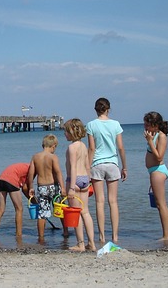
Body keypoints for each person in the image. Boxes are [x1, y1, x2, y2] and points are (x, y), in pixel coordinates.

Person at [86, 97, 127, 244]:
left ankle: (101, 236)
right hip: (112, 163)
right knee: (113, 202)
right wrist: (124, 167)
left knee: (99, 201)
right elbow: (120, 147)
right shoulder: (115, 124)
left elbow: (91, 148)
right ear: (108, 109)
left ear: (96, 110)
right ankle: (115, 236)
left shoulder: (91, 125)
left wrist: (87, 168)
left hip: (97, 164)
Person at [64, 118, 96, 252]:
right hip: (84, 180)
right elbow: (87, 165)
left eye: (66, 131)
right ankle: (92, 243)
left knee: (76, 214)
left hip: (74, 180)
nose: (65, 134)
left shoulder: (72, 147)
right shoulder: (83, 146)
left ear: (71, 132)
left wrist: (71, 187)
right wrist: (89, 181)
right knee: (86, 212)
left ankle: (80, 244)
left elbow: (73, 167)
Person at [27, 134, 66, 242]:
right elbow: (58, 173)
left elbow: (31, 174)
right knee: (60, 208)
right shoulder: (53, 157)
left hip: (42, 187)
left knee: (42, 213)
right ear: (53, 145)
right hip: (54, 186)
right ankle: (66, 232)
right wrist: (63, 187)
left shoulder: (35, 157)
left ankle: (41, 237)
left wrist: (31, 187)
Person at [144, 111, 168, 242]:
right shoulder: (153, 135)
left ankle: (166, 235)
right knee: (158, 204)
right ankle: (165, 234)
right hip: (154, 172)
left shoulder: (161, 136)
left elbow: (159, 156)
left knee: (161, 204)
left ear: (155, 125)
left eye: (148, 125)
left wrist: (150, 142)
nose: (145, 127)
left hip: (158, 170)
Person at [0, 162, 30, 238]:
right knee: (19, 209)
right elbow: (25, 189)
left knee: (0, 209)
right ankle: (19, 235)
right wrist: (33, 201)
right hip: (11, 181)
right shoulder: (32, 170)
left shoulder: (26, 166)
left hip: (1, 180)